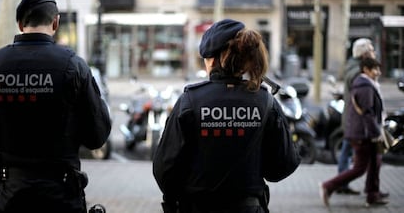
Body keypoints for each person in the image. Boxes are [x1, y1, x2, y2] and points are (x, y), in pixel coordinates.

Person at [153, 18, 301, 213]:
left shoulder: (190, 101)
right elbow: (283, 165)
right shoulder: (265, 102)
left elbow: (164, 168)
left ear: (213, 60)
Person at [0, 0, 111, 213]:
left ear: (19, 23)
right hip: (61, 194)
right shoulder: (73, 64)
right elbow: (98, 135)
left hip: (12, 195)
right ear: (55, 22)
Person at [320, 57, 388, 207]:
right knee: (361, 167)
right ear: (365, 70)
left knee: (374, 163)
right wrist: (376, 133)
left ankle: (372, 195)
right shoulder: (365, 86)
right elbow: (367, 113)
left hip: (362, 132)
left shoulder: (365, 84)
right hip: (363, 134)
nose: (379, 72)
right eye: (375, 69)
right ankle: (329, 185)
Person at [336, 38, 376, 195]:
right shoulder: (357, 68)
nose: (374, 52)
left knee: (347, 152)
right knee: (353, 154)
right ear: (364, 53)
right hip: (355, 118)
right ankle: (338, 184)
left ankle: (341, 183)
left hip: (352, 118)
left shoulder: (354, 65)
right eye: (371, 49)